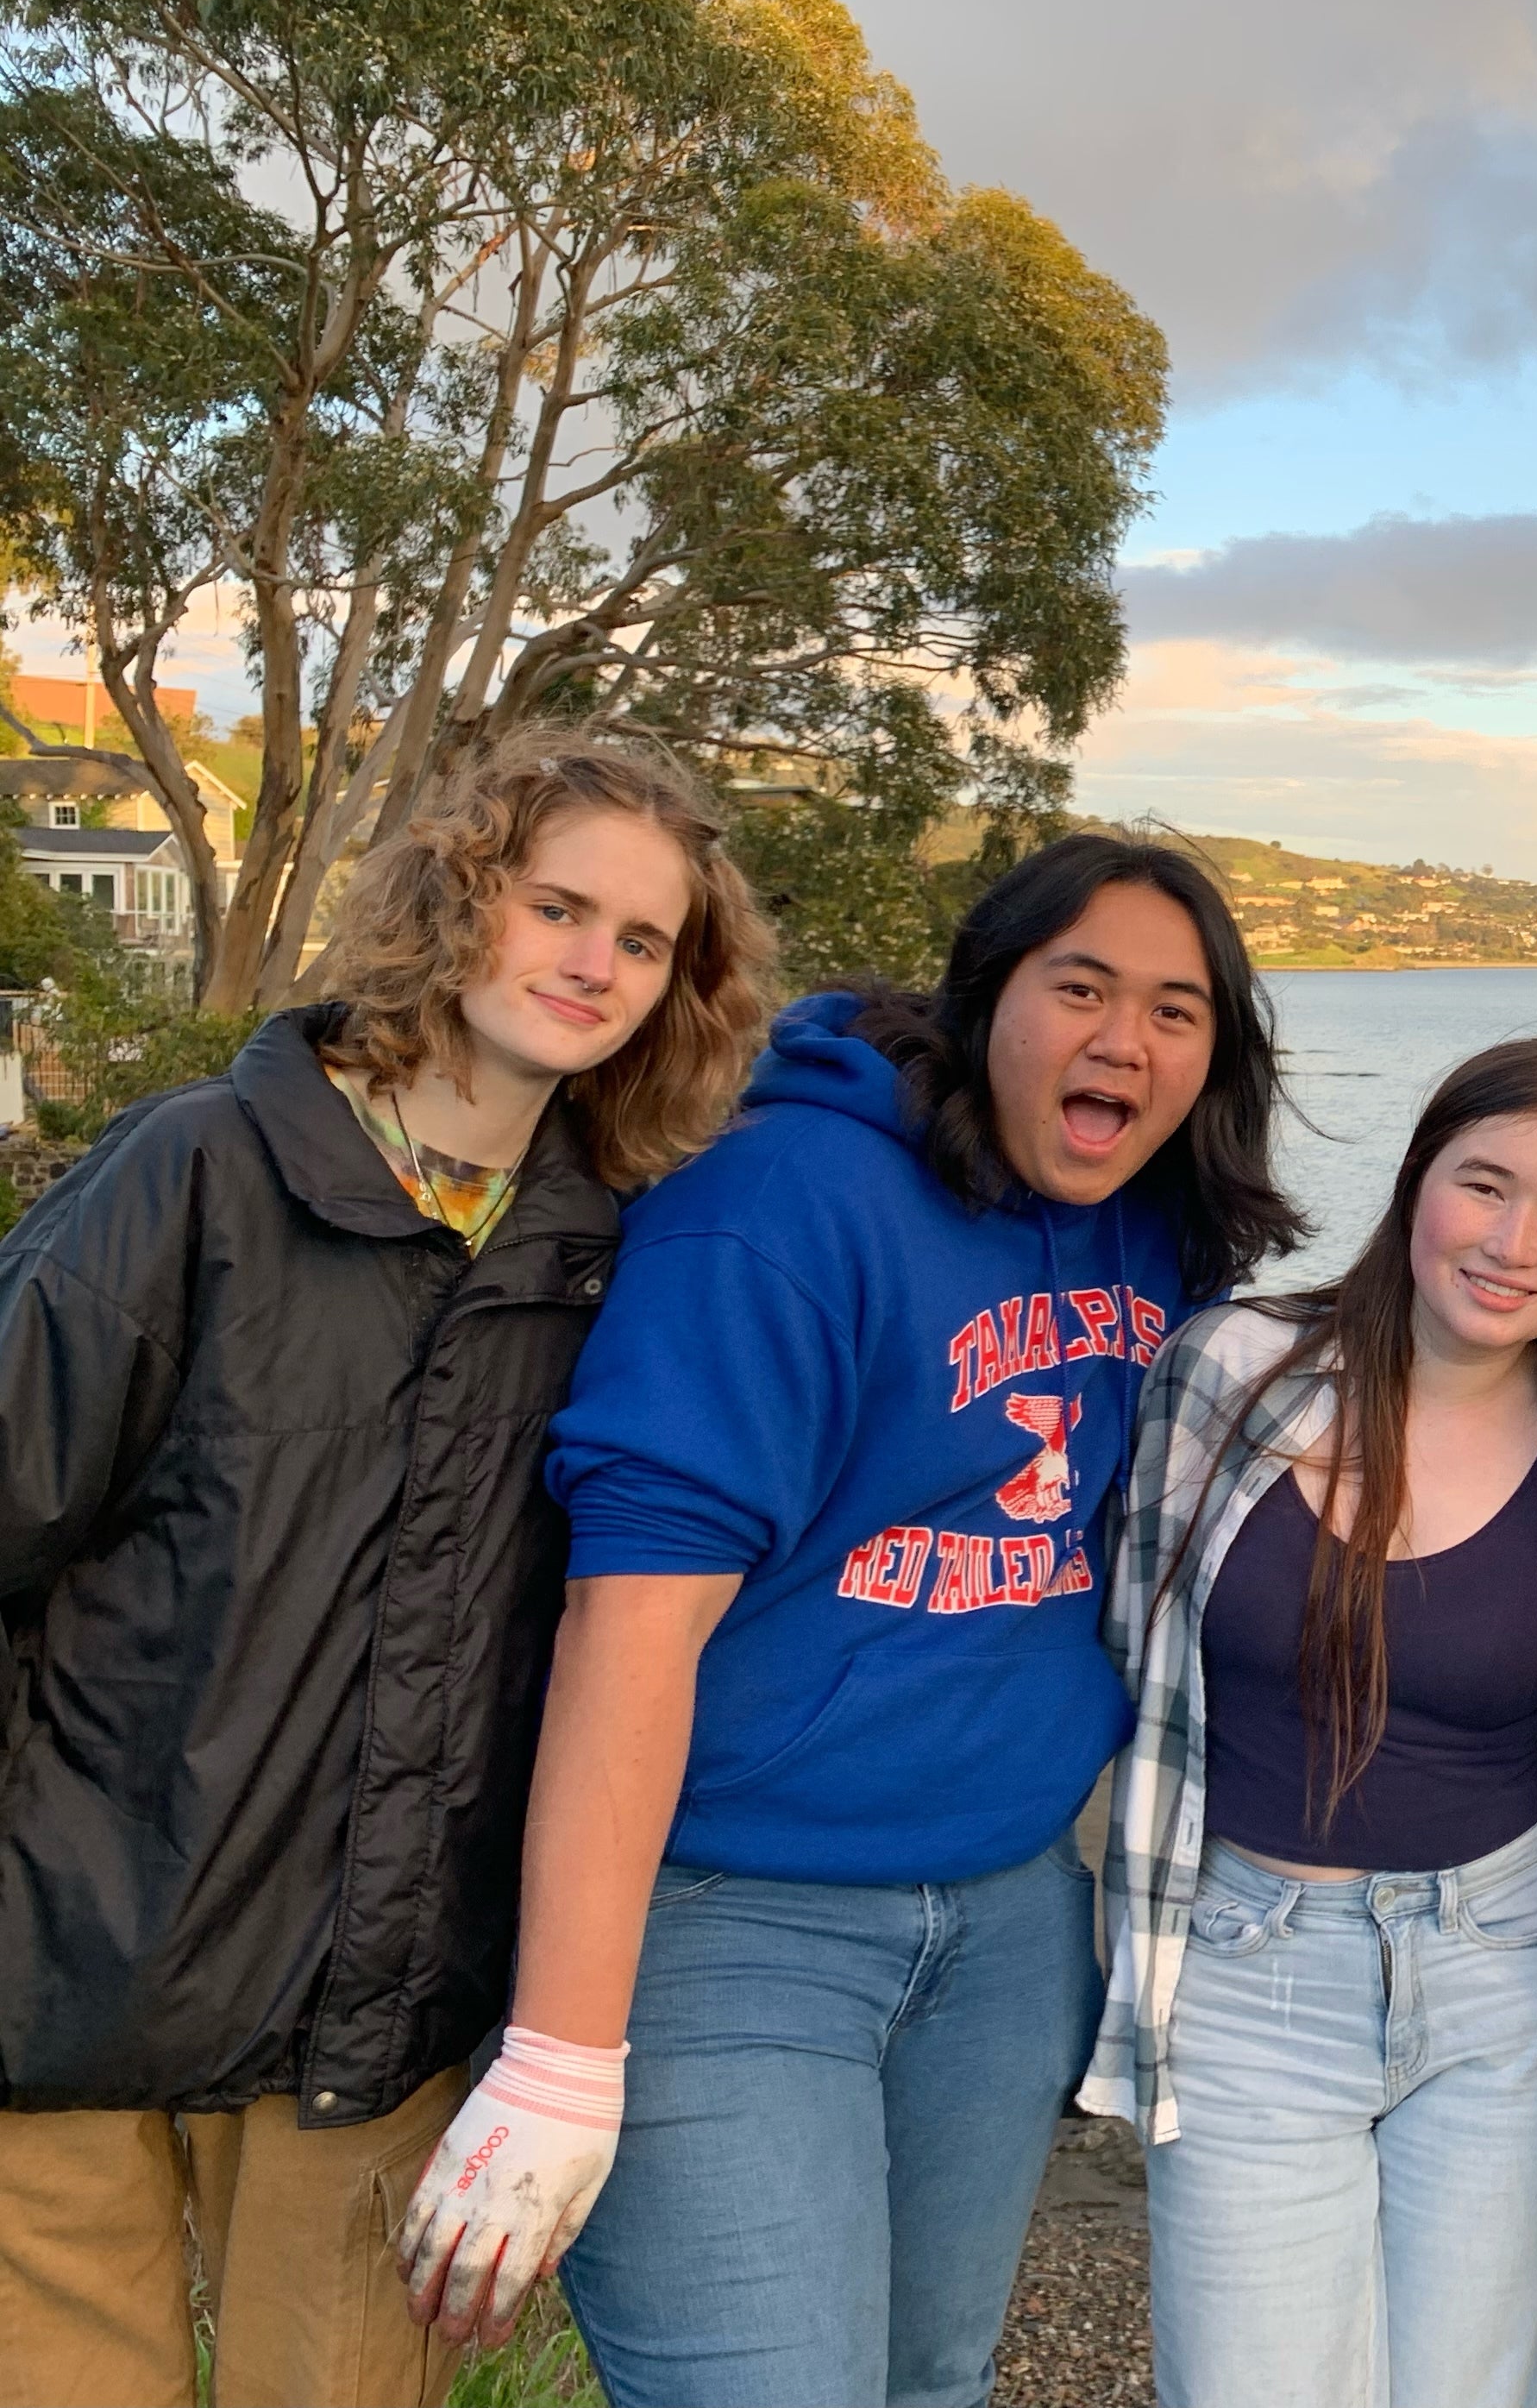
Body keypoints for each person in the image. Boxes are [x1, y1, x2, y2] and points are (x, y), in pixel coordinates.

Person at [392, 833, 1298, 2408]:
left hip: (1010, 1919)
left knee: (930, 2380)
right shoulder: (781, 1202)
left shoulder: (1153, 1227)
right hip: (729, 1922)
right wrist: (560, 2054)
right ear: (986, 994)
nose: (1125, 1042)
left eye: (1176, 1012)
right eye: (1080, 989)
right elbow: (630, 1623)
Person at [0, 730, 773, 2408]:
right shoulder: (195, 1171)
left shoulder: (616, 1255)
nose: (596, 963)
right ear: (456, 897)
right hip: (62, 1973)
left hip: (371, 2023)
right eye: (558, 907)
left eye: (645, 940)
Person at [1083, 1037, 1537, 2408]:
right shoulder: (1232, 1370)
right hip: (1245, 1966)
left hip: (1507, 1972)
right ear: (1416, 1182)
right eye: (1484, 1186)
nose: (1514, 1244)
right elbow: (1125, 1649)